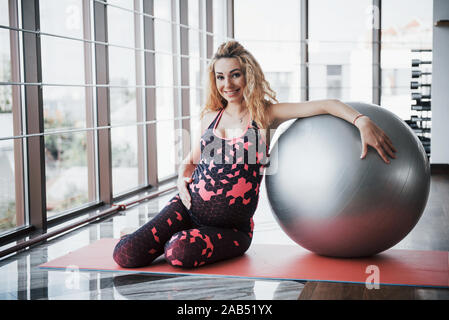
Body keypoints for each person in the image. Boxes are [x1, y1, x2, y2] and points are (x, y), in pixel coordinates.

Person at [112, 41, 396, 268]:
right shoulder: (211, 117)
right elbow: (189, 163)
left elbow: (325, 105)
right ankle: (150, 237)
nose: (228, 84)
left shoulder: (265, 115)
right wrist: (180, 182)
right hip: (186, 209)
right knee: (124, 254)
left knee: (179, 252)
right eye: (220, 77)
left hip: (232, 231)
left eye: (235, 74)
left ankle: (165, 239)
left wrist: (362, 121)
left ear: (249, 75)